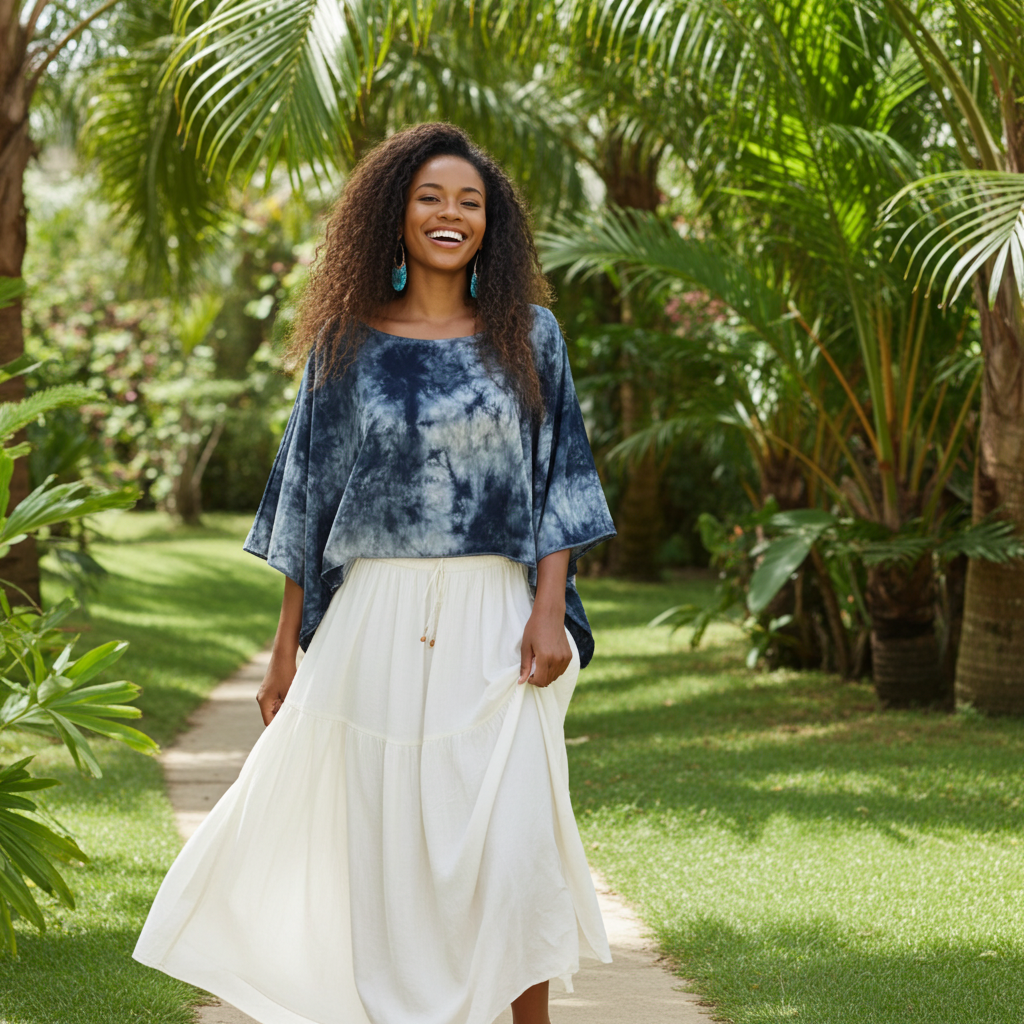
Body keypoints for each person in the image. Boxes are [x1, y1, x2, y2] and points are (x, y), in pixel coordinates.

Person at [133, 122, 615, 1024]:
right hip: (375, 616)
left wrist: (549, 607)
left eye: (469, 201)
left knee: (513, 852)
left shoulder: (530, 336)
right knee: (377, 846)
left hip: (494, 614)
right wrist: (285, 649)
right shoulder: (345, 345)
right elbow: (307, 500)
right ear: (395, 214)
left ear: (492, 223)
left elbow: (563, 479)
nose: (450, 214)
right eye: (431, 197)